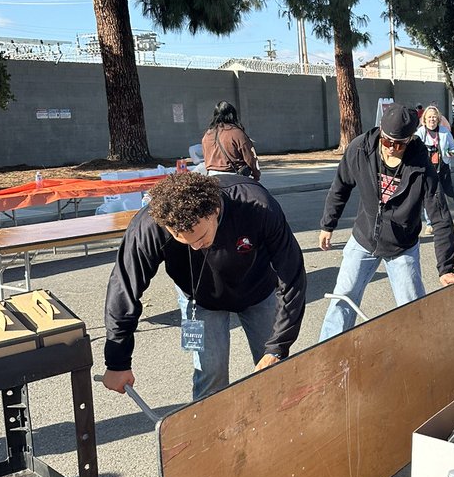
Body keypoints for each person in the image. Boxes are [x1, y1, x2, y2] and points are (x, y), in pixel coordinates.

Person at [103, 172, 306, 401]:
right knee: (211, 373)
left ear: (214, 212)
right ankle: (208, 433)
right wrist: (117, 361)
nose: (196, 248)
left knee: (275, 370)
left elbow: (292, 275)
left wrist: (278, 347)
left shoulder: (257, 206)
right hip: (200, 298)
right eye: (184, 241)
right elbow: (125, 286)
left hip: (258, 289)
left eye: (201, 238)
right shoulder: (150, 225)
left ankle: (278, 425)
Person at [318, 103, 454, 338]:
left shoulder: (421, 166)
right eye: (387, 142)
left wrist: (446, 268)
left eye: (399, 144)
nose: (391, 149)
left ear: (410, 139)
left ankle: (419, 357)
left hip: (402, 247)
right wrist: (328, 224)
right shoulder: (360, 149)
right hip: (363, 240)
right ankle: (327, 354)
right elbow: (340, 186)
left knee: (413, 308)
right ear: (380, 133)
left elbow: (440, 217)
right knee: (342, 299)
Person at [416, 104, 454, 235]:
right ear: (424, 119)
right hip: (426, 170)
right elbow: (413, 150)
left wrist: (448, 153)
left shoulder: (445, 132)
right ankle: (430, 224)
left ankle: (446, 221)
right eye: (429, 117)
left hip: (442, 168)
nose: (432, 120)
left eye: (434, 117)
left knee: (444, 196)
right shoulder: (420, 132)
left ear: (438, 119)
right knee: (429, 197)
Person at [201, 101, 259, 180]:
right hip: (234, 177)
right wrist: (256, 175)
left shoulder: (207, 134)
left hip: (212, 177)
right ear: (232, 115)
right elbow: (250, 157)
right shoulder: (237, 133)